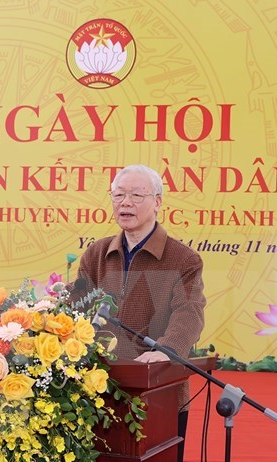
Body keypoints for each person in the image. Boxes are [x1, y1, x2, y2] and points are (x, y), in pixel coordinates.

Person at [76, 164, 206, 462]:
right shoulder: (96, 254)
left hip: (158, 392)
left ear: (158, 202)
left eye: (136, 195)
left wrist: (168, 349)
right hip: (97, 389)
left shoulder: (183, 259)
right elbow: (76, 310)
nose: (125, 202)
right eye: (118, 195)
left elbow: (190, 312)